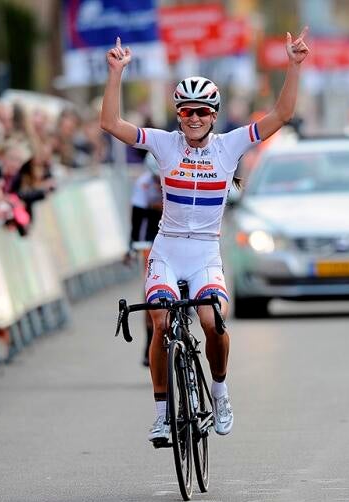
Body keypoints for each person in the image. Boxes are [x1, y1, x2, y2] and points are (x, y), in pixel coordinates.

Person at [100, 29, 310, 443]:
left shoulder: (229, 146)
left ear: (214, 116)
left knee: (212, 322)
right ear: (178, 115)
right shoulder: (163, 144)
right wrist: (115, 73)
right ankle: (162, 413)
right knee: (160, 325)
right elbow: (110, 123)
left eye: (201, 112)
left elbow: (281, 115)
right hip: (168, 251)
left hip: (204, 256)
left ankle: (220, 391)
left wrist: (294, 64)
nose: (193, 118)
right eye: (186, 112)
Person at [129, 152, 163, 368]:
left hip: (175, 231)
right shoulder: (143, 184)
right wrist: (131, 245)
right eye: (156, 179)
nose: (160, 183)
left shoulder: (180, 177)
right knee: (150, 288)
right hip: (151, 233)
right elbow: (136, 221)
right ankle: (149, 339)